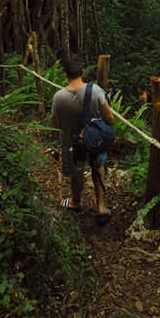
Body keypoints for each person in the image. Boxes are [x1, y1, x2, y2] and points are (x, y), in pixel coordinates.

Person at [50, 54, 115, 221]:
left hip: (72, 143)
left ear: (65, 72)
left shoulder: (58, 97)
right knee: (98, 167)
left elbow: (55, 126)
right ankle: (101, 206)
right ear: (82, 70)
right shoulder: (95, 91)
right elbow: (109, 118)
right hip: (94, 140)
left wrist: (55, 143)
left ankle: (75, 202)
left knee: (77, 171)